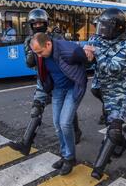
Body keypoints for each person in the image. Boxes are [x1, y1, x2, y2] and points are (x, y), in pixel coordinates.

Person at [14, 8, 82, 154]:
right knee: (36, 108)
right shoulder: (29, 40)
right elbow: (29, 63)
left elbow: (66, 53)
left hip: (60, 78)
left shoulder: (56, 36)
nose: (38, 26)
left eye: (41, 23)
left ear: (46, 23)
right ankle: (26, 142)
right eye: (35, 24)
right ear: (31, 25)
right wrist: (34, 52)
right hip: (43, 78)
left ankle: (75, 132)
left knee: (66, 111)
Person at [84, 8, 126, 180]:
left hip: (123, 91)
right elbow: (86, 58)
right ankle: (122, 143)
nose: (102, 31)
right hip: (104, 91)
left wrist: (96, 53)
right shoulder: (97, 39)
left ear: (119, 28)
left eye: (106, 27)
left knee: (113, 129)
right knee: (111, 124)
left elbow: (112, 68)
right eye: (101, 27)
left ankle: (98, 168)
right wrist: (86, 56)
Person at [30, 32, 87, 175]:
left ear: (48, 44)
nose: (39, 55)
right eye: (37, 53)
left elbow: (86, 59)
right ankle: (64, 154)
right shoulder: (41, 55)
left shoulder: (69, 50)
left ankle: (70, 158)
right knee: (57, 123)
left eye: (41, 52)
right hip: (58, 89)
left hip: (73, 87)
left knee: (65, 123)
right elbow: (42, 74)